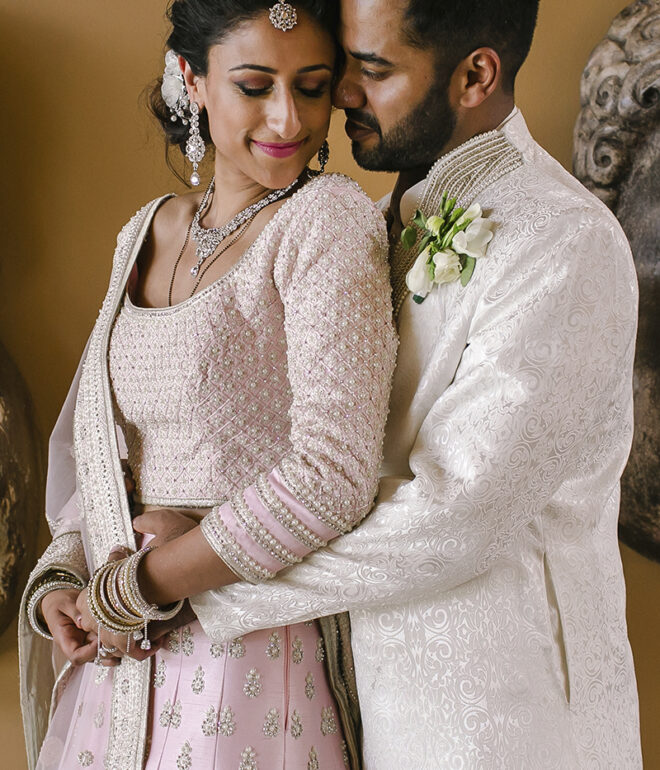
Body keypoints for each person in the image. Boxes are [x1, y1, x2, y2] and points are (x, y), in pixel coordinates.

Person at [172, 0, 644, 767]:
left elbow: (457, 513)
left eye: (374, 69)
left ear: (475, 75)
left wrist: (206, 588)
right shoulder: (371, 220)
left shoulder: (564, 242)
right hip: (357, 704)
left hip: (506, 720)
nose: (342, 93)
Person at [18, 1, 397, 769]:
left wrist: (143, 582)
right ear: (191, 80)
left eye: (313, 86)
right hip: (121, 649)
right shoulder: (146, 229)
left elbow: (334, 476)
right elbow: (104, 441)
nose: (288, 117)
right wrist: (68, 570)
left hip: (247, 647)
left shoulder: (325, 223)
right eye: (254, 86)